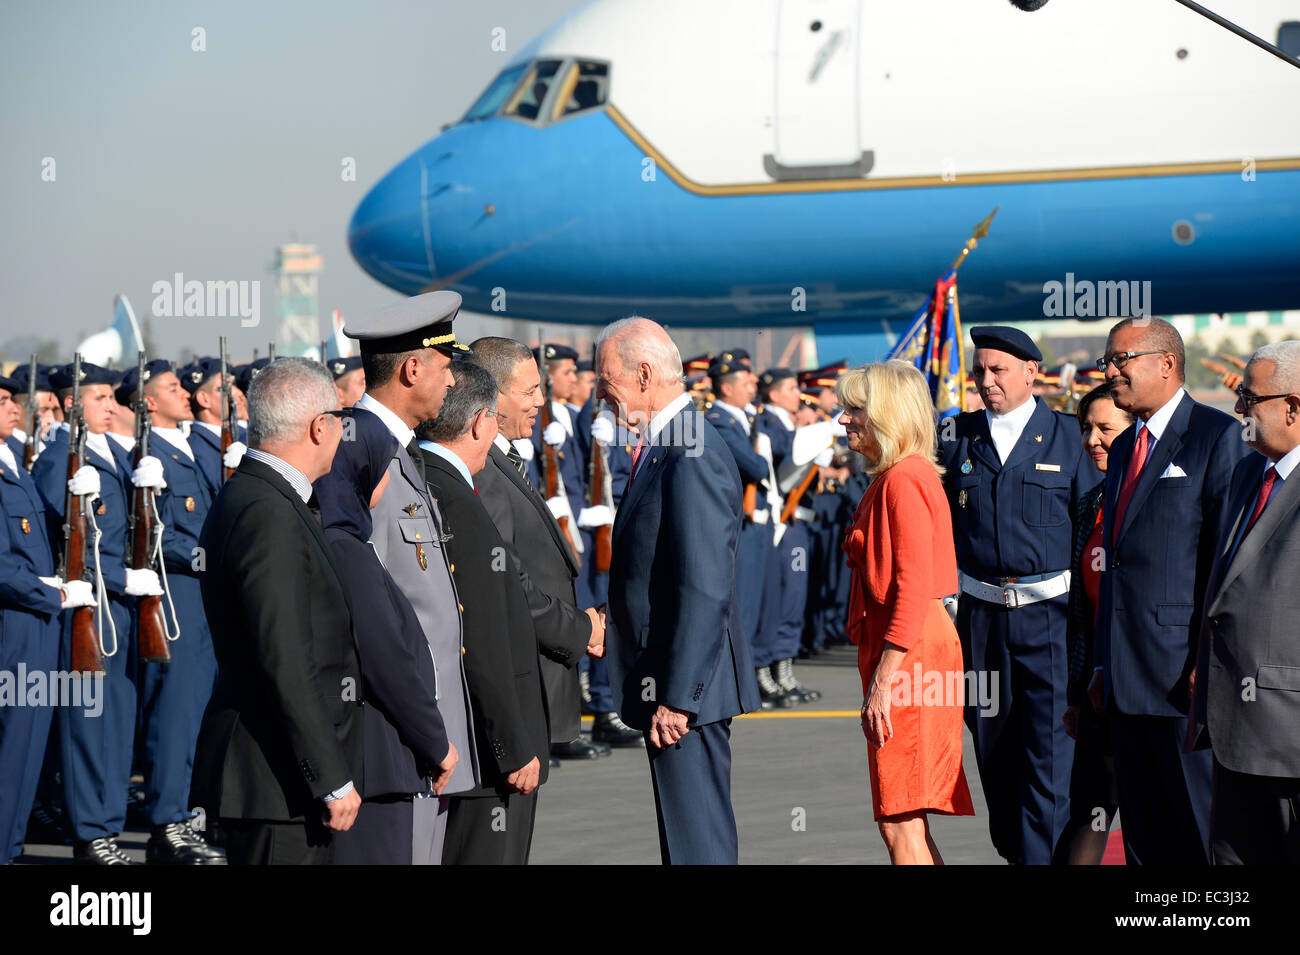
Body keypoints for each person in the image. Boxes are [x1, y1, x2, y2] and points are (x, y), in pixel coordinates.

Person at [595, 317, 760, 864]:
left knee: (698, 844)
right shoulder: (668, 442)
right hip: (669, 680)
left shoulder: (690, 449)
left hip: (686, 690)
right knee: (686, 841)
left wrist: (677, 696)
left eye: (607, 382)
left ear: (644, 374)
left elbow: (705, 585)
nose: (602, 396)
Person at [191, 357, 361, 865]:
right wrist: (329, 777)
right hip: (276, 779)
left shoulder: (266, 496)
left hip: (279, 775)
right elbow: (284, 657)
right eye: (341, 419)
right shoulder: (268, 511)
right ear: (319, 426)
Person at [1090, 317, 1248, 865]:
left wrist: (1208, 661)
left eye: (1121, 360)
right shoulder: (1127, 443)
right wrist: (1102, 663)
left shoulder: (1217, 436)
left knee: (1198, 833)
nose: (1109, 372)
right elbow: (1117, 565)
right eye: (1108, 361)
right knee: (1144, 837)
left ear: (1166, 364)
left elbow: (1225, 566)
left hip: (1183, 677)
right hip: (1124, 680)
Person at [937, 325, 1097, 865]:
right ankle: (1019, 854)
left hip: (1050, 621)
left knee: (1050, 760)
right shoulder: (955, 437)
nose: (985, 381)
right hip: (980, 625)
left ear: (1032, 371)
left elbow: (1089, 533)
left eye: (997, 370)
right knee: (994, 753)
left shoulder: (1070, 438)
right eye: (978, 370)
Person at [342, 289, 478, 862]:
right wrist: (426, 730)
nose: (452, 382)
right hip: (399, 728)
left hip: (427, 723)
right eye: (446, 368)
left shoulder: (400, 451)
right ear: (412, 368)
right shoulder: (357, 451)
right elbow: (365, 607)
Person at [419, 363, 556, 864]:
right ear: (481, 423)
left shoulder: (427, 482)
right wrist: (512, 745)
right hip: (483, 748)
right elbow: (479, 636)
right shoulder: (458, 499)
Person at [839, 361, 974, 865]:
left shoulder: (904, 480)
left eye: (855, 409)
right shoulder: (902, 477)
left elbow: (913, 587)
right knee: (902, 818)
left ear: (885, 415)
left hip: (909, 654)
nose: (843, 419)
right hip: (907, 648)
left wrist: (885, 680)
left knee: (899, 820)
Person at [314, 416, 458, 865]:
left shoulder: (340, 539)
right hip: (372, 764)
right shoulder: (346, 550)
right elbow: (386, 659)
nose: (388, 482)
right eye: (383, 470)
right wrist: (437, 743)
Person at [33, 362, 162, 865]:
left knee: (118, 721)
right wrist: (112, 574)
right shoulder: (57, 463)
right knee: (89, 726)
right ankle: (92, 832)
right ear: (71, 404)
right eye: (101, 397)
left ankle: (107, 823)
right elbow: (60, 547)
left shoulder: (108, 454)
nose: (113, 406)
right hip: (89, 609)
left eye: (114, 398)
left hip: (122, 611)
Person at [468, 337, 607, 762]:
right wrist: (580, 630)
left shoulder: (503, 459)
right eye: (529, 390)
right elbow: (507, 581)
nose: (540, 400)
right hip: (517, 688)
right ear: (492, 394)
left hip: (536, 679)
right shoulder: (485, 471)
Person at [1187, 340, 1300, 864]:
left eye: (1248, 400)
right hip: (1230, 727)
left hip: (1289, 737)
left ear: (1293, 407)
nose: (1238, 412)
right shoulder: (1247, 475)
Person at [114, 360, 224, 864]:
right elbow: (156, 535)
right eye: (172, 388)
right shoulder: (149, 454)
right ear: (149, 402)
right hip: (176, 598)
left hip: (205, 601)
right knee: (174, 715)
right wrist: (214, 554)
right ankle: (166, 824)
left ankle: (187, 815)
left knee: (200, 712)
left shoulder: (190, 448)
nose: (185, 394)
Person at [0, 372, 94, 865]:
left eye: (12, 399)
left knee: (29, 746)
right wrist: (50, 594)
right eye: (1, 401)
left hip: (38, 621)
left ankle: (11, 848)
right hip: (16, 623)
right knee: (12, 747)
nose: (13, 407)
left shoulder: (12, 462)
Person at [1058, 382, 1133, 864]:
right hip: (1098, 689)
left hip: (1154, 689)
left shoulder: (1159, 499)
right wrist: (1075, 691)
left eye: (1106, 428)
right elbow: (1080, 614)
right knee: (1089, 813)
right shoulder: (1090, 505)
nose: (1092, 439)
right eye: (1087, 428)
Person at [179, 357, 246, 499]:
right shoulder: (194, 449)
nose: (238, 393)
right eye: (225, 388)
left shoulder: (246, 437)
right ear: (204, 399)